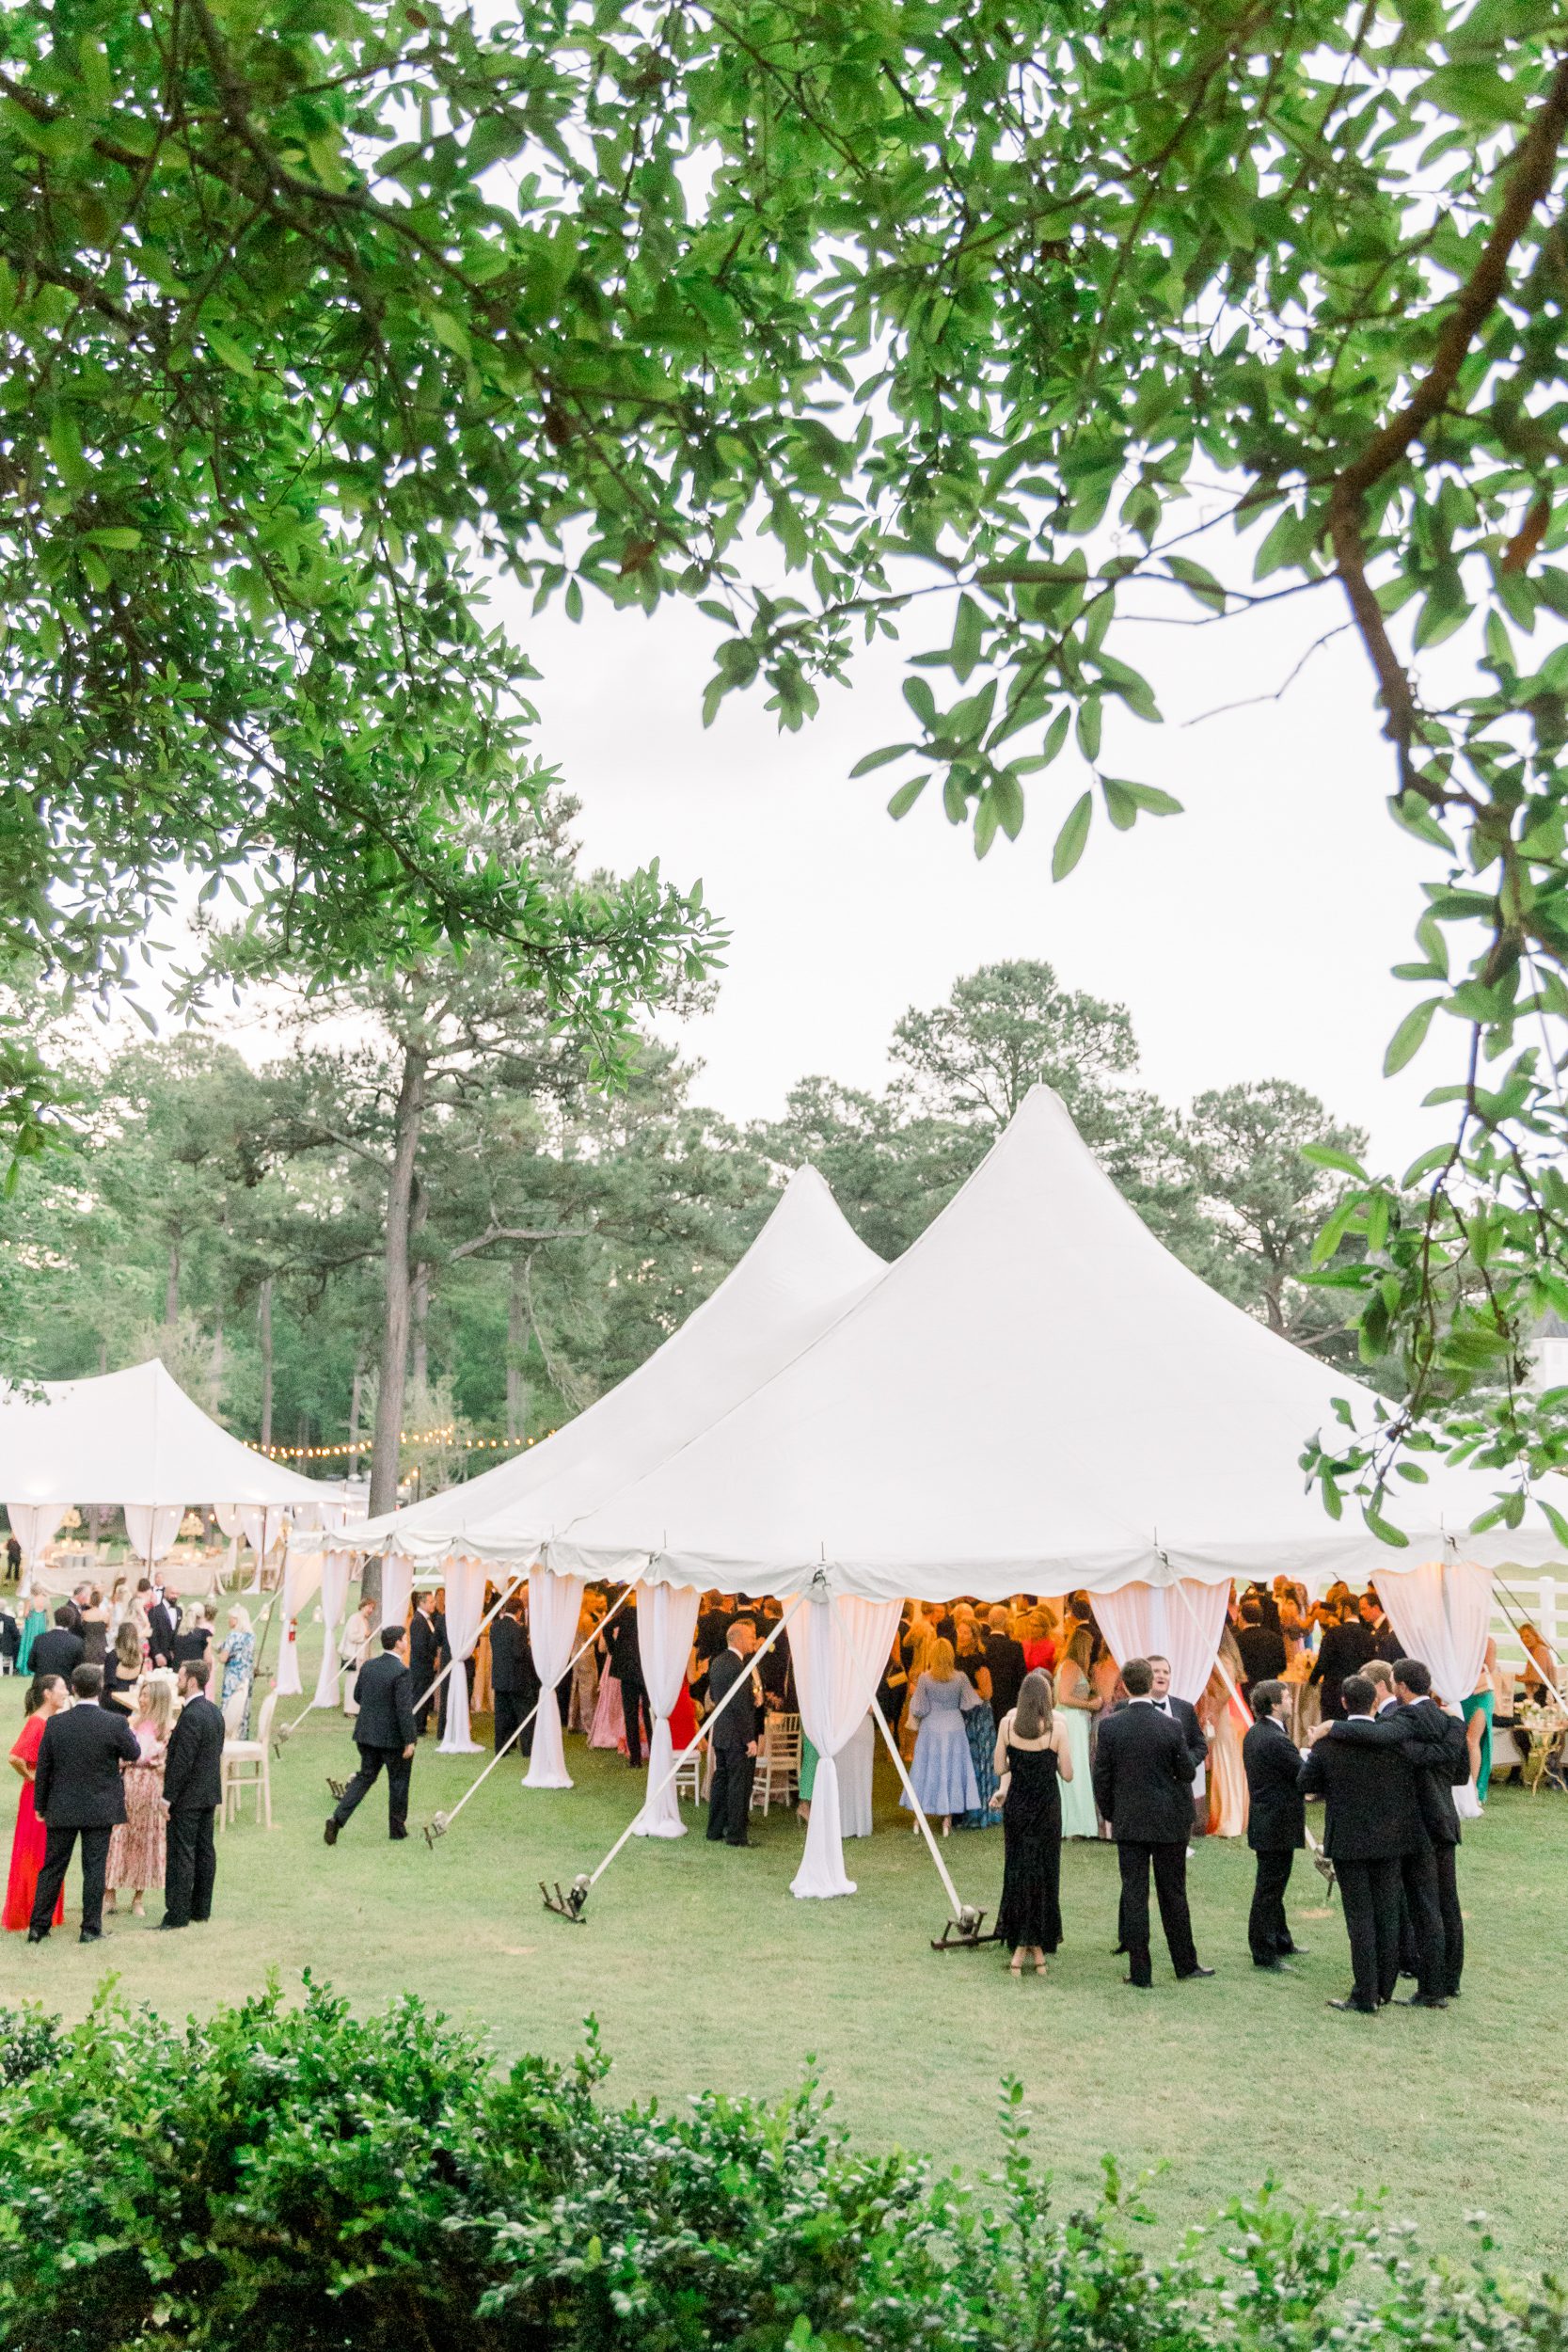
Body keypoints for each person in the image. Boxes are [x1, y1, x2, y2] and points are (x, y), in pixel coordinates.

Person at [1322, 1658, 1469, 2000]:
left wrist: (1330, 1727)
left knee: (1424, 1907)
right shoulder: (1448, 1720)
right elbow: (1461, 1773)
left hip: (1418, 1825)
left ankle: (1431, 1988)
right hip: (1445, 1819)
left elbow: (1379, 1735)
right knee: (1447, 1904)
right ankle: (1449, 1980)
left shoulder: (1403, 1719)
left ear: (1400, 1686)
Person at [1299, 1672, 1431, 2013]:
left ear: (1344, 1702)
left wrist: (1313, 1755)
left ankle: (1365, 1993)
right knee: (1387, 1913)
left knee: (1360, 1919)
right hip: (1389, 1839)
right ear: (1374, 1701)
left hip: (1350, 1841)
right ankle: (1383, 1988)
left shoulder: (1329, 1744)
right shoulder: (1392, 1742)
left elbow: (1307, 1783)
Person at [1091, 1655, 1211, 1988]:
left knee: (1135, 1893)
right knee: (1174, 1893)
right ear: (1148, 1683)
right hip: (1169, 1819)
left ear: (1125, 1686)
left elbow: (1101, 1776)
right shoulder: (1170, 1726)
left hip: (1130, 1819)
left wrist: (1112, 1812)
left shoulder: (1110, 1726)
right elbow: (1187, 1772)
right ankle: (1185, 1964)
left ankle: (1140, 1972)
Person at [27, 1663, 142, 1943]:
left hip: (62, 1804)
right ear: (100, 1688)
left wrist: (40, 1805)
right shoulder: (114, 1723)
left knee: (53, 1866)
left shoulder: (56, 1723)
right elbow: (134, 1752)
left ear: (74, 1689)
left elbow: (44, 1769)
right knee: (94, 1868)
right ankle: (90, 1928)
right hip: (99, 1806)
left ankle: (38, 1927)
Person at [992, 1669, 1073, 1974]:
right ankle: (1039, 1941)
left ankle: (1020, 1939)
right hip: (1046, 1809)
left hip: (1018, 1808)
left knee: (1018, 1869)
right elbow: (1067, 1774)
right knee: (1045, 1871)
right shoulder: (1057, 1730)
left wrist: (1018, 1762)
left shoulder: (1007, 1726)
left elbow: (999, 1767)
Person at [325, 1628, 417, 1844]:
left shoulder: (369, 1666)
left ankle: (337, 1819)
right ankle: (397, 1829)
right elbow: (404, 1709)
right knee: (399, 1782)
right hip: (392, 1739)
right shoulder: (401, 1672)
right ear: (397, 1643)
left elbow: (358, 1696)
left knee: (364, 1778)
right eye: (405, 1639)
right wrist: (410, 1740)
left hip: (366, 1734)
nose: (407, 1642)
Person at [1241, 1680, 1307, 1969]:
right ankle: (1264, 1951)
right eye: (1287, 1697)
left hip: (1267, 1820)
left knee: (1274, 1886)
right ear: (1275, 1704)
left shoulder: (1257, 1733)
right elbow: (1303, 1773)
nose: (1291, 1700)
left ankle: (1281, 1939)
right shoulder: (1275, 1739)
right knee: (1269, 1889)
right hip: (1276, 1822)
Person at [161, 1658, 227, 1929]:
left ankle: (177, 1914)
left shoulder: (190, 1716)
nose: (177, 1682)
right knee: (204, 1851)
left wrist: (167, 1797)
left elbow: (182, 1762)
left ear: (191, 1681)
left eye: (180, 1677)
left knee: (182, 1854)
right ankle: (201, 1909)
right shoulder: (214, 1712)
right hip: (208, 1792)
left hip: (188, 1797)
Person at [104, 1672, 176, 1920]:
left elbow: (168, 1761)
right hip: (128, 1784)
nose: (142, 1700)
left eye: (146, 1696)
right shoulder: (130, 1723)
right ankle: (109, 1892)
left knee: (146, 1840)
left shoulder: (168, 1729)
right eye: (141, 1695)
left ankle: (138, 1896)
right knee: (118, 1836)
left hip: (152, 1787)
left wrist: (158, 1764)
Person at [4, 1675, 68, 1932]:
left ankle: (42, 1908)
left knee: (46, 1851)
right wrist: (32, 1776)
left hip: (48, 1793)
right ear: (47, 1694)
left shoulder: (50, 1721)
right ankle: (30, 1909)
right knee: (35, 1851)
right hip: (36, 1796)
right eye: (62, 1688)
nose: (66, 1692)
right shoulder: (37, 1722)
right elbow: (15, 1757)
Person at [901, 1638, 983, 1834]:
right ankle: (947, 1818)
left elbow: (918, 1708)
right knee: (952, 1769)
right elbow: (970, 1702)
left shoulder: (925, 1678)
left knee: (925, 1768)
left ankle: (919, 1818)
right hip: (955, 1727)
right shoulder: (961, 1677)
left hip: (931, 1727)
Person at [705, 1618, 760, 1848]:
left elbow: (715, 1697)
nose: (753, 1641)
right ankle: (736, 1834)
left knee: (721, 1780)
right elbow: (739, 1706)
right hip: (737, 1735)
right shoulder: (738, 1666)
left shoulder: (717, 1662)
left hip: (721, 1731)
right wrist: (750, 1739)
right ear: (737, 1639)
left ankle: (715, 1829)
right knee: (738, 1784)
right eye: (749, 1637)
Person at [1053, 1626, 1102, 1838]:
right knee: (1075, 1766)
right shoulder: (1071, 1666)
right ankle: (1075, 1824)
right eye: (1089, 1647)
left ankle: (1077, 1822)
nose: (1091, 1652)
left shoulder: (1068, 1665)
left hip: (1074, 1720)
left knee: (1077, 1766)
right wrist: (1091, 1705)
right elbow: (1063, 1697)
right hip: (1071, 1721)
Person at [489, 1593, 539, 1758]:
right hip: (517, 1679)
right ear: (519, 1611)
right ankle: (527, 1749)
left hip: (499, 1677)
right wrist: (528, 1647)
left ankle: (500, 1747)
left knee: (501, 1715)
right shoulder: (519, 1629)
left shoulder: (495, 1627)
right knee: (524, 1714)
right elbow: (518, 1653)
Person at [1308, 1607, 1377, 1723]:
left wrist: (1312, 1680)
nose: (1337, 1611)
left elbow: (1323, 1662)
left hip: (1334, 1692)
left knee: (1331, 1727)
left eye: (1340, 1608)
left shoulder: (1333, 1633)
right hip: (1358, 1692)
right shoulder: (1368, 1636)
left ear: (1347, 1609)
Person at [606, 1597, 652, 1769]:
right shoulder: (653, 1612)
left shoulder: (629, 1612)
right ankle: (655, 1754)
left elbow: (607, 1628)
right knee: (650, 1713)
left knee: (630, 1714)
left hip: (628, 1669)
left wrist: (615, 1650)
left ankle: (635, 1759)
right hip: (648, 1669)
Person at [1463, 1638, 1497, 1804]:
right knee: (1460, 1739)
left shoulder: (1487, 1641)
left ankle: (1473, 1788)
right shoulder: (1455, 1639)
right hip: (1460, 1693)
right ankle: (1459, 1787)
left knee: (1472, 1739)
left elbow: (1489, 1668)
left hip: (1480, 1693)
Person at [1235, 1599, 1287, 1701]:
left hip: (1248, 1690)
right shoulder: (1275, 1638)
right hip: (1271, 1688)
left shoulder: (1238, 1640)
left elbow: (1237, 1668)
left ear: (1242, 1618)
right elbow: (1282, 1666)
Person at [982, 1607, 1027, 1722]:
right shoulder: (1015, 1646)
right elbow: (1021, 1676)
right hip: (1008, 1700)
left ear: (989, 1621)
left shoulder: (982, 1645)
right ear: (1006, 1622)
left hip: (985, 1700)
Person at [214, 1604, 255, 1732]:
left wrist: (218, 1651)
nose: (228, 1620)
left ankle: (227, 1733)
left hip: (233, 1675)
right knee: (243, 1706)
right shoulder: (251, 1637)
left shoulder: (233, 1636)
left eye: (230, 1618)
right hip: (246, 1675)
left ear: (237, 1620)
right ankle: (242, 1733)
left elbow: (223, 1658)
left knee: (229, 1705)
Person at [408, 1590, 442, 1736]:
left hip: (426, 1665)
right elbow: (419, 1647)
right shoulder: (418, 1621)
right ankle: (417, 1726)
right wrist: (432, 1659)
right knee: (419, 1695)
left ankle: (421, 1725)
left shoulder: (427, 1619)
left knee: (425, 1695)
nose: (434, 1604)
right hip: (421, 1666)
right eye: (431, 1602)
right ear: (422, 1603)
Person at [29, 1606, 86, 1684]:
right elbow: (78, 1668)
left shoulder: (39, 1639)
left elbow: (31, 1664)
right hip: (64, 1685)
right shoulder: (77, 1642)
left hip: (41, 1683)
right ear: (72, 1622)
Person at [340, 1597, 374, 1714]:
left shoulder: (365, 1620)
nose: (371, 1610)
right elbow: (351, 1636)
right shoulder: (354, 1618)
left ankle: (358, 1708)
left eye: (372, 1608)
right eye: (369, 1607)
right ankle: (350, 1709)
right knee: (352, 1682)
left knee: (359, 1682)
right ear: (363, 1606)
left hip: (363, 1656)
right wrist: (364, 1635)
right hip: (354, 1656)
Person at [103, 1621, 144, 1716]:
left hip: (112, 1700)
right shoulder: (141, 1656)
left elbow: (109, 1682)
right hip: (129, 1699)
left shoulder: (113, 1655)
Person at [147, 1585, 180, 1669]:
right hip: (159, 1657)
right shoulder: (154, 1611)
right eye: (172, 1593)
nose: (175, 1596)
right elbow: (152, 1635)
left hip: (174, 1657)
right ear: (164, 1594)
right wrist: (157, 1654)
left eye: (177, 1594)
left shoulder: (179, 1611)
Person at [171, 1607, 212, 1672]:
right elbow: (208, 1660)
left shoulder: (175, 1634)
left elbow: (172, 1655)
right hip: (197, 1672)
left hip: (178, 1671)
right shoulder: (204, 1634)